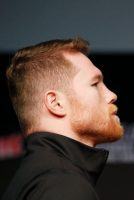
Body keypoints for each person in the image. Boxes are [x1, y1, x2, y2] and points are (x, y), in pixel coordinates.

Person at [2, 38, 123, 200]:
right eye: (95, 84)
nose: (111, 95)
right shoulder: (64, 185)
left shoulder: (38, 178)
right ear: (56, 103)